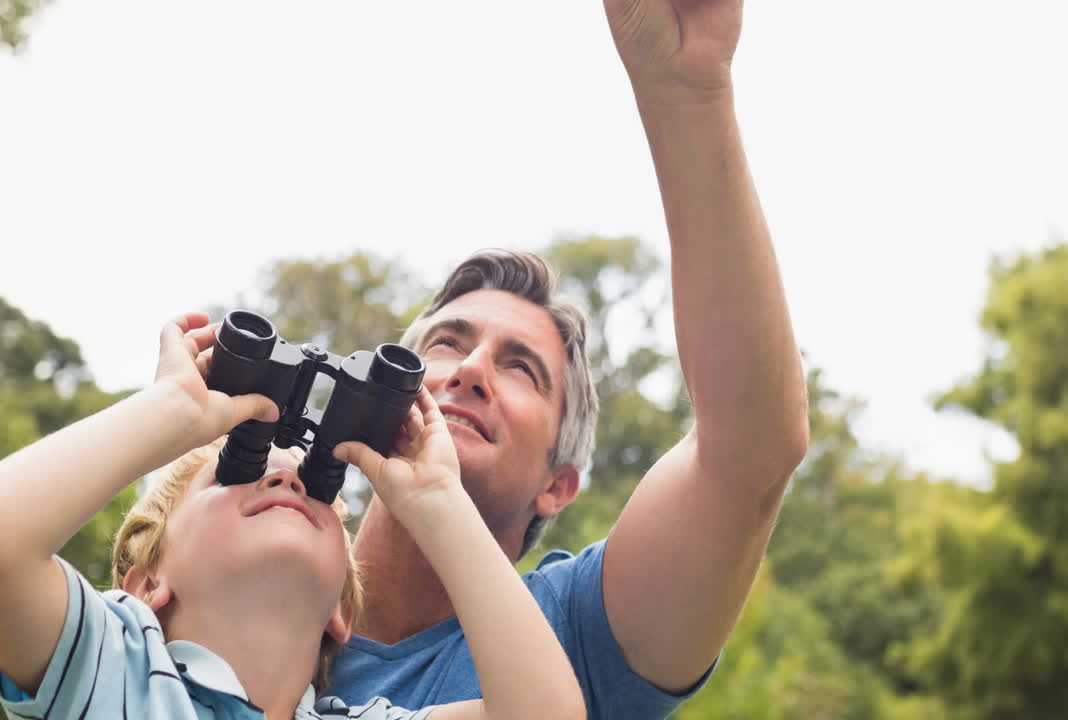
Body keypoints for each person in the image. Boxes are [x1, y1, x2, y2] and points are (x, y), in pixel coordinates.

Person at [328, 1, 810, 717]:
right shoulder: (248, 570)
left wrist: (687, 91)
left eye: (521, 367)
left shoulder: (577, 635)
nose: (470, 370)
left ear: (558, 486)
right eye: (446, 344)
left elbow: (751, 450)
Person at [0, 313, 587, 720]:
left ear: (342, 610)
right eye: (237, 471)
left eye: (318, 493)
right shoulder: (110, 662)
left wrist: (437, 498)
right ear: (146, 582)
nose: (286, 478)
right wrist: (173, 409)